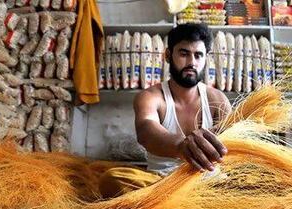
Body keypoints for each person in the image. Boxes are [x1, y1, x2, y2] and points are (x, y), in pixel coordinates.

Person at [99, 23, 232, 198]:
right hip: (160, 184)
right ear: (168, 55)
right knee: (112, 180)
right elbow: (146, 130)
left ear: (206, 58)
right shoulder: (151, 97)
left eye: (198, 55)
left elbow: (230, 141)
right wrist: (181, 147)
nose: (192, 62)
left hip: (208, 185)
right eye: (184, 54)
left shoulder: (217, 99)